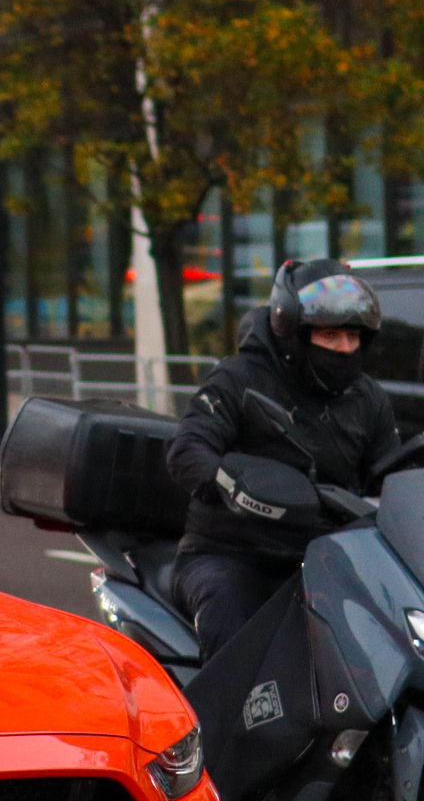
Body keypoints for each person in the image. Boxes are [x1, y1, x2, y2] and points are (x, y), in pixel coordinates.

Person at [165, 258, 403, 664]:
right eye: (330, 335)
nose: (344, 348)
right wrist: (234, 485)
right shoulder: (239, 378)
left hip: (325, 559)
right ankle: (219, 727)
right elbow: (188, 450)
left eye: (352, 336)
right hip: (231, 554)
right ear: (294, 332)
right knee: (234, 629)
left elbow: (390, 474)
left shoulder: (367, 398)